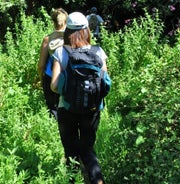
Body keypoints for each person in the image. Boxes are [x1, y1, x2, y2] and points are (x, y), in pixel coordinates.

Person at [50, 12, 107, 184]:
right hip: (93, 109)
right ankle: (98, 181)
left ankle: (73, 180)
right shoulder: (99, 51)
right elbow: (105, 82)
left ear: (68, 31)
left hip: (67, 108)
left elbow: (53, 85)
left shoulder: (61, 52)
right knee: (87, 149)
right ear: (87, 30)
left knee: (71, 150)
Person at [38, 8, 68, 119]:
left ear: (53, 22)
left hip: (51, 78)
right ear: (66, 21)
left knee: (53, 109)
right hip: (68, 78)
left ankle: (55, 131)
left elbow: (41, 65)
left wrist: (42, 80)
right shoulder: (73, 38)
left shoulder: (48, 39)